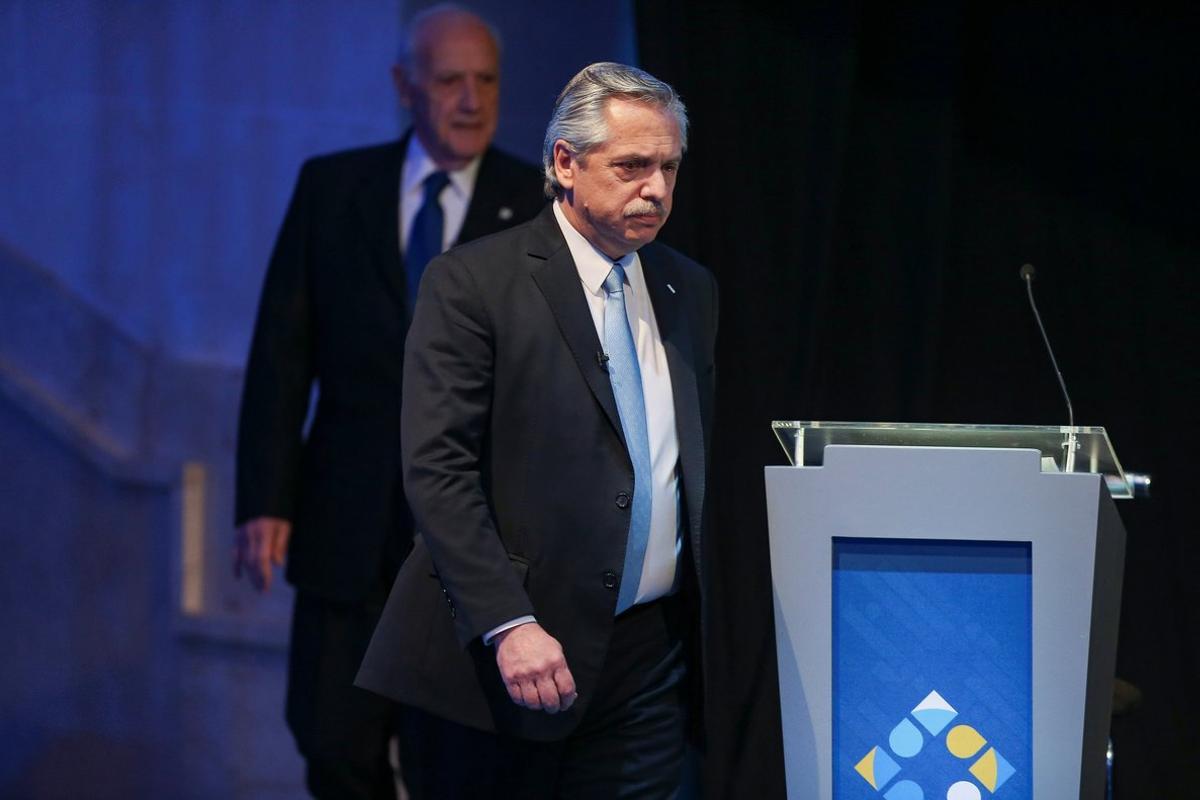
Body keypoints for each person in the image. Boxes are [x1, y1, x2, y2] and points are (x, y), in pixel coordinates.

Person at [357, 62, 718, 798]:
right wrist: (506, 623)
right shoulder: (472, 283)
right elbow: (437, 469)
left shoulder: (690, 290)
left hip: (648, 663)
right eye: (632, 166)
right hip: (509, 658)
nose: (655, 188)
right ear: (565, 163)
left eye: (668, 168)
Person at [232, 6, 545, 798]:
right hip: (348, 524)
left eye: (486, 80)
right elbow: (281, 354)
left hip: (473, 545)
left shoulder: (536, 205)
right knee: (331, 741)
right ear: (406, 85)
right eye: (450, 80)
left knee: (458, 765)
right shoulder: (332, 188)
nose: (471, 99)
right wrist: (263, 500)